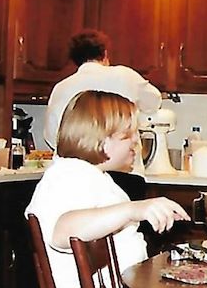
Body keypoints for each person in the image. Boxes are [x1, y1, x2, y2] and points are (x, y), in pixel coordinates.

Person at [26, 90, 190, 288]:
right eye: (128, 135)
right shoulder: (67, 176)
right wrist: (132, 210)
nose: (136, 143)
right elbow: (63, 232)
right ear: (100, 140)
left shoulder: (94, 177)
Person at [43, 28, 163, 200]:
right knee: (127, 224)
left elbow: (51, 135)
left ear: (75, 60)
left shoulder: (61, 87)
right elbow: (154, 102)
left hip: (73, 177)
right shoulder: (125, 76)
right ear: (105, 54)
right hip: (124, 175)